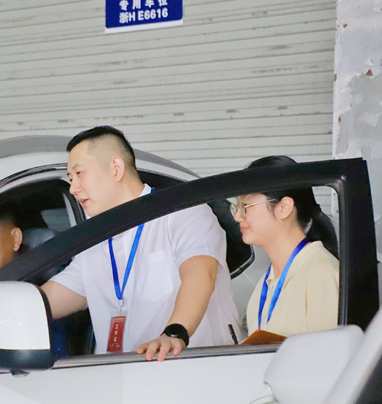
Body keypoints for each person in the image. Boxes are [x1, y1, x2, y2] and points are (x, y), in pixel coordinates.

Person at [42, 126, 240, 361]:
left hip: (188, 368)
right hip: (121, 376)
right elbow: (48, 300)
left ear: (116, 168)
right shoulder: (94, 240)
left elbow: (200, 275)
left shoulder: (182, 212)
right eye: (70, 178)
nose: (73, 188)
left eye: (79, 174)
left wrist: (174, 333)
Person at [233, 155, 339, 340]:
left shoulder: (321, 274)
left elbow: (332, 353)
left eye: (246, 206)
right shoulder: (266, 283)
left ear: (284, 207)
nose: (237, 217)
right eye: (237, 206)